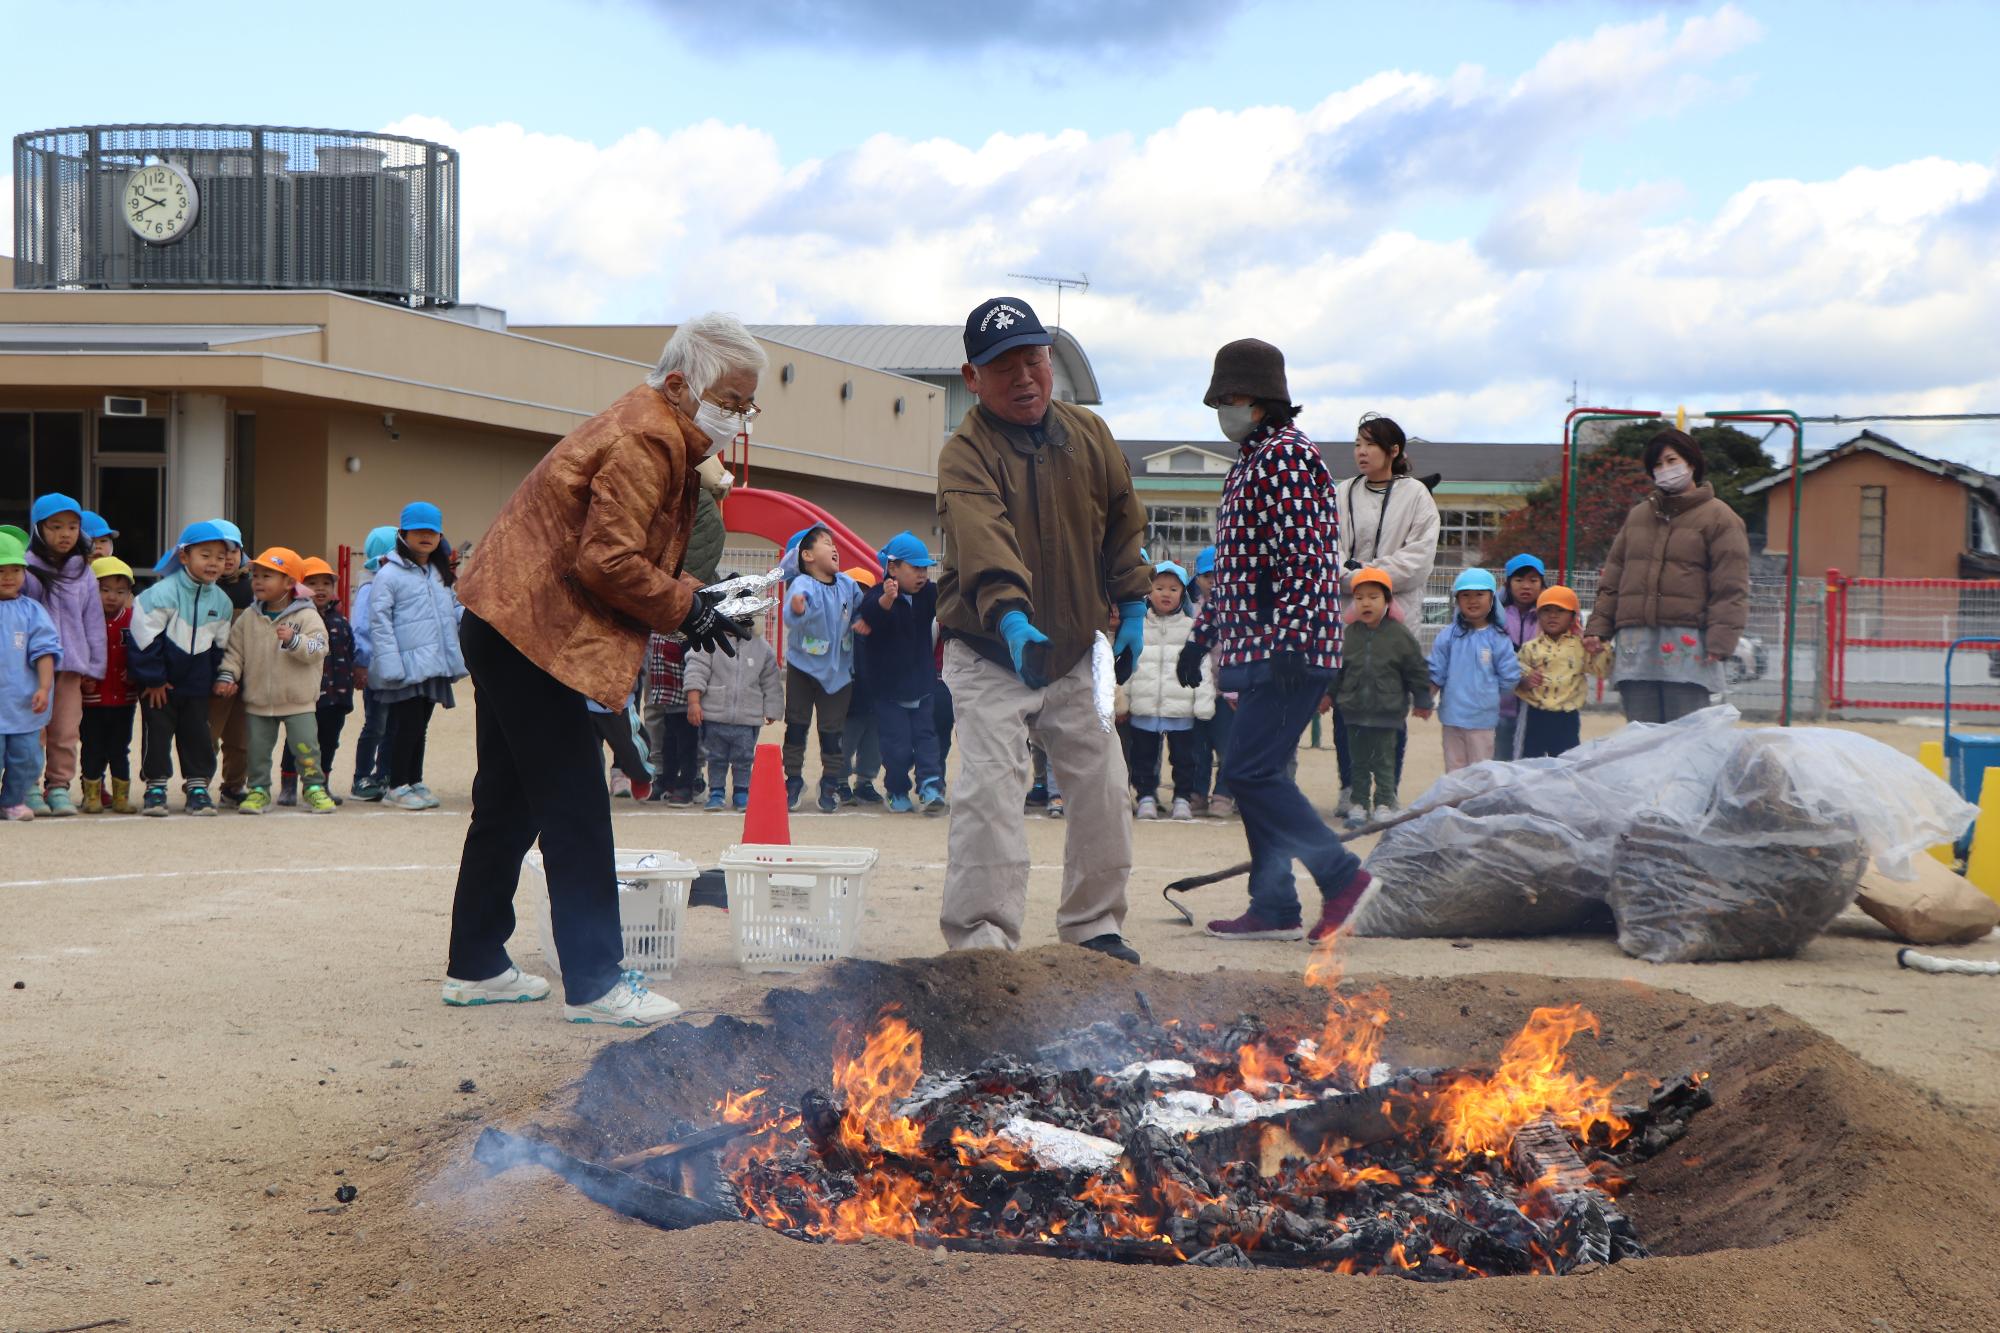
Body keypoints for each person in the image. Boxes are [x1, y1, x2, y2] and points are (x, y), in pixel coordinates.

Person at [448, 311, 760, 1027]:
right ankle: (595, 980)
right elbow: (607, 559)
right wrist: (687, 609)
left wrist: (690, 602)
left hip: (503, 617)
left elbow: (614, 556)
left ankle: (476, 963)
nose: (738, 420)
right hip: (533, 632)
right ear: (682, 385)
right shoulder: (648, 434)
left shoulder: (651, 425)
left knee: (508, 799)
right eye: (732, 402)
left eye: (747, 406)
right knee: (576, 804)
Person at [935, 295, 1150, 963]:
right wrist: (1012, 617)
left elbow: (1122, 520)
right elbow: (983, 540)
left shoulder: (1089, 434)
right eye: (1004, 367)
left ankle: (1093, 926)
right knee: (994, 788)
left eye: (1034, 359)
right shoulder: (964, 453)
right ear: (973, 378)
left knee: (1105, 785)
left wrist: (1134, 600)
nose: (1024, 376)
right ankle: (983, 940)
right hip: (991, 649)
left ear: (1049, 360)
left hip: (1076, 648)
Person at [1178, 338, 1375, 944]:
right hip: (1253, 649)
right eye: (1219, 400)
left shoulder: (1289, 456)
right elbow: (1239, 569)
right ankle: (1274, 906)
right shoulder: (1251, 459)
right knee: (1254, 773)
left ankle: (1340, 877)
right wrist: (1200, 637)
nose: (1222, 409)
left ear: (1262, 403)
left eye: (1230, 399)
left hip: (1291, 650)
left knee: (1252, 770)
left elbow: (1308, 560)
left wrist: (1291, 640)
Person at [1583, 428, 1752, 723]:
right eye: (1657, 465)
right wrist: (1598, 628)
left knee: (1687, 736)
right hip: (1636, 644)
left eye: (1671, 460)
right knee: (1640, 737)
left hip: (1688, 643)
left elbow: (1730, 587)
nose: (1665, 470)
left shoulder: (1721, 518)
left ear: (1692, 462)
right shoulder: (1637, 516)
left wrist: (1721, 640)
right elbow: (1613, 579)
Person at [1332, 415, 1439, 813]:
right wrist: (1352, 578)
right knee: (1348, 701)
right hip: (1349, 616)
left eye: (1370, 444)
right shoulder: (1342, 492)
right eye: (1357, 443)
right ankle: (1350, 787)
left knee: (1390, 706)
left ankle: (1387, 791)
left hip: (1398, 618)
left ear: (1394, 452)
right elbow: (1329, 551)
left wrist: (1367, 575)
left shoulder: (1416, 496)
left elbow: (1419, 558)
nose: (1361, 451)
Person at [128, 521, 237, 816]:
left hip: (197, 687)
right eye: (205, 554)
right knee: (157, 734)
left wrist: (216, 679)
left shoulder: (222, 602)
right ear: (184, 556)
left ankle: (198, 787)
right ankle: (155, 787)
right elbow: (142, 637)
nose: (214, 562)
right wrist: (153, 679)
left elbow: (220, 647)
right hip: (159, 687)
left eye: (220, 556)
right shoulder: (160, 593)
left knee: (198, 736)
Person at [216, 546, 335, 814]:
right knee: (257, 752)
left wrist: (294, 641)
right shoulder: (249, 616)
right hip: (258, 701)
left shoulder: (306, 615)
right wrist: (228, 674)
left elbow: (319, 648)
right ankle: (259, 790)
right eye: (256, 575)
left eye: (267, 576)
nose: (257, 581)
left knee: (306, 748)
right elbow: (235, 652)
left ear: (290, 583)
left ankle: (314, 787)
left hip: (298, 700)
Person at [368, 502, 466, 812]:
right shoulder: (389, 573)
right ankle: (396, 784)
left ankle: (414, 779)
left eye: (432, 532)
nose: (425, 536)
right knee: (405, 725)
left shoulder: (439, 573)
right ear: (403, 534)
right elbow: (379, 621)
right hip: (405, 663)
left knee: (420, 725)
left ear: (439, 536)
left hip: (432, 663)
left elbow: (452, 610)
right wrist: (390, 663)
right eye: (418, 531)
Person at [1334, 567, 1434, 825]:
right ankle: (1358, 804)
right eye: (1360, 597)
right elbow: (1338, 671)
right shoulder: (1350, 634)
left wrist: (1422, 699)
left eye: (1373, 597)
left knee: (1384, 762)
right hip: (1354, 711)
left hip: (1387, 712)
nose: (1366, 602)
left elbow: (1416, 668)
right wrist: (1327, 696)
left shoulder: (1399, 635)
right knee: (1357, 761)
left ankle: (1384, 803)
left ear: (1387, 601)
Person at [21, 493, 100, 816]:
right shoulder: (25, 569)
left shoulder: (83, 571)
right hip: (30, 668)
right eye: (55, 527)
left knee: (66, 731)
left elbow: (93, 620)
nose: (65, 534)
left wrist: (94, 668)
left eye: (72, 526)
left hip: (71, 667)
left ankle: (58, 787)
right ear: (39, 529)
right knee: (32, 730)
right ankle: (26, 787)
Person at [857, 531, 946, 814]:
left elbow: (948, 602)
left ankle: (931, 785)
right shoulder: (877, 595)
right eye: (915, 568)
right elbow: (871, 613)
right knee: (897, 748)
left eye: (925, 568)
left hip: (922, 684)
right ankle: (896, 789)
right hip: (889, 691)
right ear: (892, 568)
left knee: (927, 739)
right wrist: (886, 599)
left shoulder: (929, 594)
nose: (922, 575)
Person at [1119, 561, 1213, 822]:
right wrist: (1122, 701)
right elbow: (1126, 664)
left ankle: (1182, 798)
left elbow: (1202, 666)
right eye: (1158, 587)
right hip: (1144, 705)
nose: (1165, 593)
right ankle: (1146, 796)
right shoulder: (1138, 625)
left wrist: (1203, 703)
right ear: (1148, 592)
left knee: (1184, 758)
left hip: (1181, 706)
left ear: (1183, 592)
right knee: (1143, 756)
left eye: (1173, 588)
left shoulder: (1191, 627)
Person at [781, 525, 865, 813]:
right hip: (803, 667)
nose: (834, 548)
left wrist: (865, 618)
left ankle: (830, 781)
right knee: (796, 724)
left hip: (838, 671)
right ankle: (792, 779)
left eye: (834, 543)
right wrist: (797, 608)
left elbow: (861, 608)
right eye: (826, 543)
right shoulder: (803, 585)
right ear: (807, 555)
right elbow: (790, 616)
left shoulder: (847, 585)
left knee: (832, 730)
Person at [1428, 567, 1523, 773]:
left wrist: (1489, 692)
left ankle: (1476, 806)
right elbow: (1436, 671)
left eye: (1480, 594)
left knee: (1481, 769)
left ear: (1492, 599)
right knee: (1455, 768)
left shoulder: (1498, 638)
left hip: (1483, 719)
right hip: (1452, 717)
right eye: (1465, 595)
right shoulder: (1448, 636)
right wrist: (1425, 699)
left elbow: (1510, 675)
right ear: (1457, 600)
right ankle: (1456, 804)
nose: (1473, 600)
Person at [685, 610, 781, 811]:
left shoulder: (762, 647)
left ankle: (742, 791)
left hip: (748, 718)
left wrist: (772, 708)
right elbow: (696, 668)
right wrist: (694, 702)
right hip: (714, 715)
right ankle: (717, 791)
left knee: (744, 758)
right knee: (715, 757)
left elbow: (771, 679)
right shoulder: (710, 641)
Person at [279, 557, 355, 805]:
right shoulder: (296, 620)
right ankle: (288, 786)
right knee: (297, 741)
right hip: (305, 694)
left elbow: (350, 653)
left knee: (329, 741)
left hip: (337, 695)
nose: (320, 588)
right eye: (312, 582)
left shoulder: (341, 622)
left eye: (326, 583)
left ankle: (322, 784)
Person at [0, 530, 62, 822]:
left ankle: (12, 801)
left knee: (26, 759)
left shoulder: (32, 611)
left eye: (15, 569)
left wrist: (44, 687)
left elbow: (45, 651)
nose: (9, 576)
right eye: (1, 570)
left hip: (24, 701)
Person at [1514, 586, 1613, 759]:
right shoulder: (1530, 647)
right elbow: (1516, 671)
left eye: (1560, 610)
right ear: (1538, 615)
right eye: (1546, 610)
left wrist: (1600, 650)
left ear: (1573, 617)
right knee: (1529, 762)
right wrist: (1525, 680)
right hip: (1536, 714)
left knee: (1566, 762)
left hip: (1567, 716)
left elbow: (1601, 671)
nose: (1553, 615)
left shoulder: (1581, 647)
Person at [78, 556, 139, 814]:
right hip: (92, 698)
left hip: (124, 698)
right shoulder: (83, 619)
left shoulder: (134, 619)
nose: (112, 597)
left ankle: (121, 796)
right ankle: (91, 793)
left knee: (119, 747)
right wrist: (82, 677)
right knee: (92, 746)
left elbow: (142, 651)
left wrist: (135, 673)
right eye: (104, 590)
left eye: (120, 591)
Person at [348, 526, 400, 801]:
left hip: (395, 669)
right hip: (376, 668)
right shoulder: (370, 586)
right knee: (376, 725)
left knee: (393, 726)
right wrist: (362, 663)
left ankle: (385, 775)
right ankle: (362, 777)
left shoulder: (392, 584)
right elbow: (361, 628)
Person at [206, 525, 255, 807]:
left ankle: (234, 786)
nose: (227, 558)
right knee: (207, 735)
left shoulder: (253, 586)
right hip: (213, 676)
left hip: (247, 677)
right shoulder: (202, 586)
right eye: (219, 553)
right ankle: (198, 782)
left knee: (241, 740)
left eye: (232, 551)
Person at [840, 566, 886, 806]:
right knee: (844, 742)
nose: (858, 594)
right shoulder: (837, 620)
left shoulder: (878, 621)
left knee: (873, 743)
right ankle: (839, 781)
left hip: (876, 694)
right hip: (848, 695)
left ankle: (865, 781)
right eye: (853, 588)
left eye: (864, 590)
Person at [1495, 553, 1545, 760]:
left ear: (1542, 583)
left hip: (1537, 708)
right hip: (1501, 707)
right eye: (1519, 580)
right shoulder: (1498, 616)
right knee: (1500, 761)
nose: (1526, 586)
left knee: (1532, 763)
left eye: (1533, 580)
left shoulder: (1548, 617)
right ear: (1507, 584)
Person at [641, 633, 700, 805]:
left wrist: (693, 698)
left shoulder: (684, 632)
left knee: (688, 747)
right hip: (666, 698)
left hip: (685, 699)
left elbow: (695, 664)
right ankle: (666, 780)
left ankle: (689, 783)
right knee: (668, 745)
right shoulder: (657, 632)